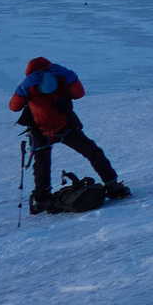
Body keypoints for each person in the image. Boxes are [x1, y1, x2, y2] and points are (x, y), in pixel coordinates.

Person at [10, 57, 127, 213]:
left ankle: (43, 198)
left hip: (55, 129)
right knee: (89, 152)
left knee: (45, 164)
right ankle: (112, 184)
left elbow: (78, 94)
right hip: (52, 130)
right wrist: (70, 77)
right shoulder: (39, 85)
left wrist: (70, 77)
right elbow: (14, 106)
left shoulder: (49, 83)